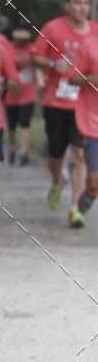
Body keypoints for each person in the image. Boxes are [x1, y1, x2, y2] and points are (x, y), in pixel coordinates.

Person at [31, 0, 98, 228]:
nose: (82, 7)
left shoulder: (95, 33)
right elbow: (34, 55)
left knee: (79, 155)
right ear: (67, 4)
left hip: (83, 107)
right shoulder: (52, 28)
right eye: (77, 2)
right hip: (55, 101)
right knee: (56, 155)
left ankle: (75, 209)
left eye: (86, 3)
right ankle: (57, 179)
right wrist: (52, 63)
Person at [67, 32, 98, 225]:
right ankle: (91, 191)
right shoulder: (90, 43)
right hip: (93, 122)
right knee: (95, 179)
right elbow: (72, 78)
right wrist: (91, 79)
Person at [5, 29, 37, 165]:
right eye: (19, 40)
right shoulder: (8, 48)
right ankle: (12, 147)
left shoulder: (32, 49)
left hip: (28, 93)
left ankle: (24, 151)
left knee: (25, 122)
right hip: (12, 93)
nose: (22, 42)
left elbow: (38, 66)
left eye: (25, 40)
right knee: (11, 125)